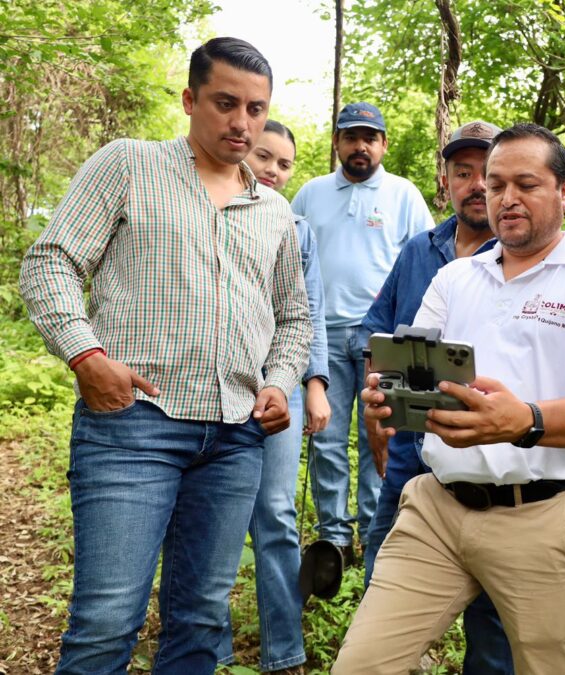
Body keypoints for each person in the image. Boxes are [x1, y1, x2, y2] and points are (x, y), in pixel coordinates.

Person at [19, 38, 312, 673]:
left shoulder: (274, 211)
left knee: (202, 619)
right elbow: (51, 261)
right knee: (107, 621)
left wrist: (280, 381)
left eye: (256, 109)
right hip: (132, 427)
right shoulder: (129, 165)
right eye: (226, 103)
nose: (242, 123)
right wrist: (85, 355)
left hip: (234, 438)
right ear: (189, 100)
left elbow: (293, 317)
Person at [332, 123, 565, 675]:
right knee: (361, 665)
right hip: (436, 508)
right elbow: (408, 367)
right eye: (497, 185)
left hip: (542, 515)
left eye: (527, 184)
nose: (505, 198)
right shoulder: (456, 278)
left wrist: (524, 419)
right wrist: (387, 394)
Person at [360, 120, 514, 674]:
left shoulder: (520, 257)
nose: (476, 184)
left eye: (487, 173)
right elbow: (376, 332)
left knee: (494, 610)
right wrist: (374, 412)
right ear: (445, 181)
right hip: (409, 448)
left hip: (488, 457)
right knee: (386, 565)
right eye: (463, 172)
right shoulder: (417, 252)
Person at [291, 102, 434, 561]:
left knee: (382, 433)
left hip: (384, 337)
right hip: (323, 333)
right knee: (327, 437)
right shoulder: (310, 194)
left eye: (370, 138)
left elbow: (426, 261)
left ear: (383, 144)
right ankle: (334, 536)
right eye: (351, 137)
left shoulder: (404, 195)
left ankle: (377, 529)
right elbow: (289, 256)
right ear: (336, 142)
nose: (360, 146)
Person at [216, 120, 331, 674]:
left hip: (279, 387)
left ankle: (284, 651)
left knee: (277, 514)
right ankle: (209, 647)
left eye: (284, 164)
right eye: (265, 156)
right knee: (209, 517)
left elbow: (311, 315)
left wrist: (315, 385)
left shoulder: (297, 228)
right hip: (218, 385)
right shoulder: (208, 210)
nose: (273, 170)